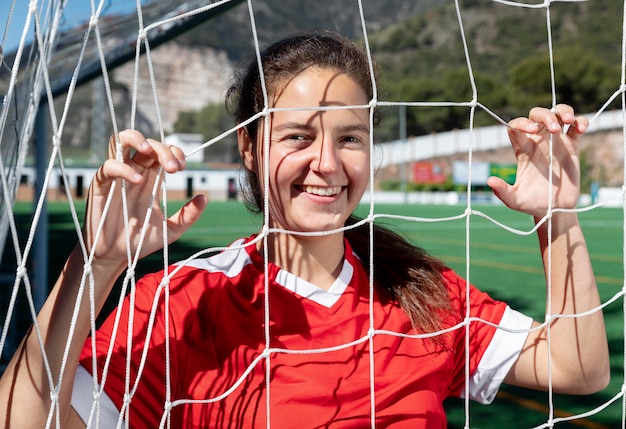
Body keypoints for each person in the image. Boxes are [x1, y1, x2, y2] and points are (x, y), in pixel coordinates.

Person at [0, 31, 609, 428]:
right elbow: (22, 418)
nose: (326, 163)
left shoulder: (420, 291)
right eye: (298, 136)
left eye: (349, 138)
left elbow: (579, 371)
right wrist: (97, 264)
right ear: (248, 147)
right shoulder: (182, 302)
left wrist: (557, 216)